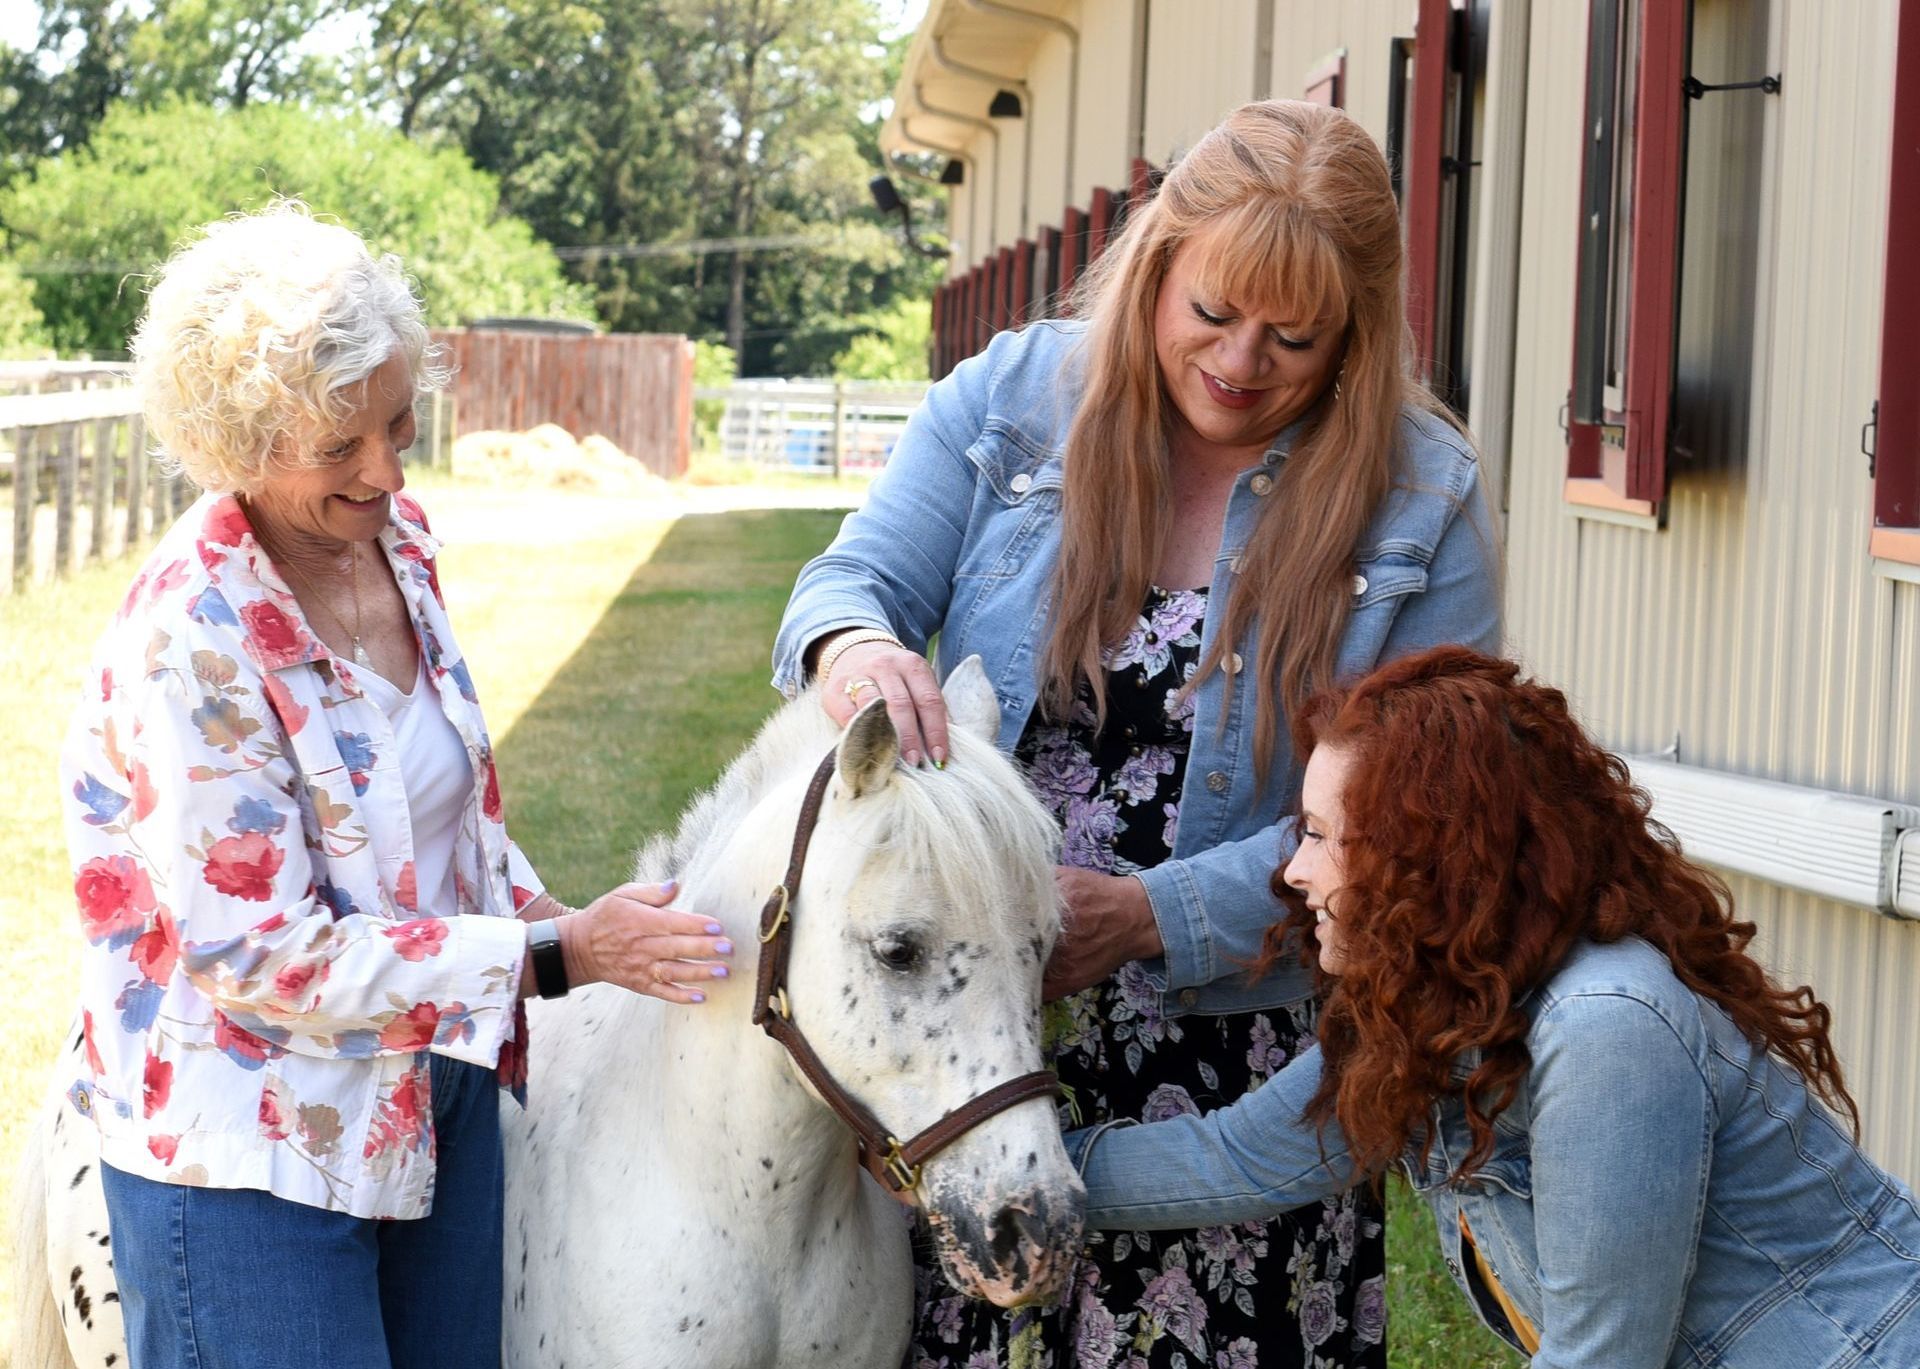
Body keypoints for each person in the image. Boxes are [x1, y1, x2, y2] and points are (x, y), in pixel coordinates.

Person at [775, 100, 1500, 1366]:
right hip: (968, 1039)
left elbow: (1414, 829)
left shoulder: (1421, 496)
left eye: (1294, 336)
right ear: (1158, 262)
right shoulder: (1015, 398)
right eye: (1212, 312)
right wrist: (859, 657)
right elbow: (841, 593)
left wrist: (1148, 918)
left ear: (1358, 336)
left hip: (1236, 1072)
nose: (1240, 361)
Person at [58, 203, 731, 1369]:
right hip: (252, 1149)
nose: (385, 469)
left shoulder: (398, 540)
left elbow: (444, 823)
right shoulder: (194, 640)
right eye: (339, 447)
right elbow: (259, 954)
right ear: (236, 445)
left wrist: (556, 917)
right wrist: (558, 955)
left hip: (433, 1094)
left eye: (401, 422)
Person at [1068, 645, 1920, 1368]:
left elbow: (1600, 1357)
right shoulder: (1448, 1002)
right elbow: (1238, 1160)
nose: (1295, 872)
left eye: (1325, 835)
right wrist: (960, 1166)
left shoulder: (1606, 1024)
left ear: (1431, 856)